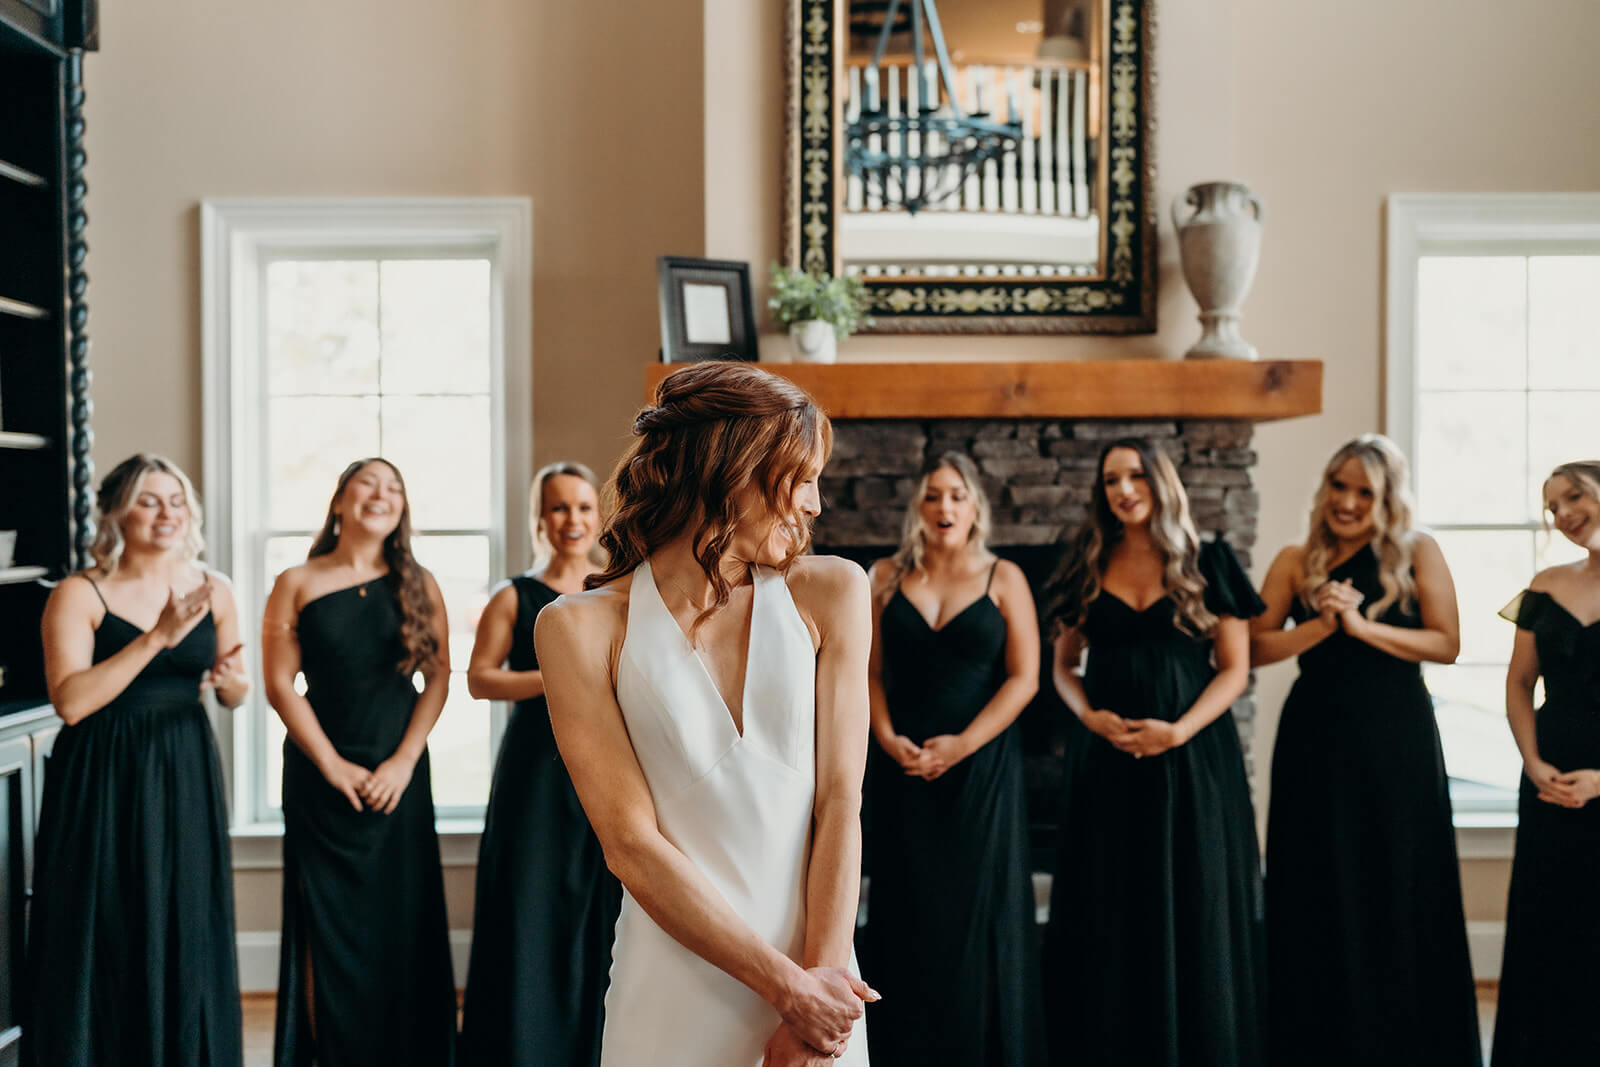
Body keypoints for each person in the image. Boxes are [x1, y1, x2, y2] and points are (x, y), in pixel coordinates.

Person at [535, 361, 877, 1067]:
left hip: (822, 974)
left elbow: (841, 801)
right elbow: (629, 842)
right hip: (673, 989)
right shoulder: (577, 628)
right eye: (801, 477)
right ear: (733, 471)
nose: (814, 504)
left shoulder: (834, 592)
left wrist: (822, 990)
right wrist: (788, 990)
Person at [1251, 433, 1479, 1066]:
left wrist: (1360, 626)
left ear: (1387, 498)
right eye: (1338, 486)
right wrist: (1320, 627)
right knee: (1315, 878)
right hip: (1314, 740)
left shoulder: (1416, 552)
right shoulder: (1296, 560)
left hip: (1395, 737)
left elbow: (1447, 643)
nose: (1347, 502)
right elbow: (1249, 647)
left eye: (1363, 491)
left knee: (1397, 874)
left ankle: (1405, 1038)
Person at [1041, 437, 1265, 1067]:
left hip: (1191, 759)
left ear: (1160, 479)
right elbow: (1062, 666)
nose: (1124, 489)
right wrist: (1088, 716)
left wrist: (1179, 731)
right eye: (1112, 479)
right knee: (1113, 898)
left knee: (1192, 896)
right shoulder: (1087, 561)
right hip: (1107, 761)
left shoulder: (1209, 559)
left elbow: (1234, 669)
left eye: (1135, 475)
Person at [27, 454, 246, 1066]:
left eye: (175, 501)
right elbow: (70, 702)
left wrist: (230, 681)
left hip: (185, 766)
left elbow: (235, 690)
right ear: (118, 511)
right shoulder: (79, 592)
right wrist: (157, 639)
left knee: (183, 912)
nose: (165, 514)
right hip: (103, 770)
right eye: (149, 501)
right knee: (105, 916)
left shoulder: (215, 587)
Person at [262, 458, 456, 1067]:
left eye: (394, 486)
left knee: (402, 921)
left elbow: (439, 677)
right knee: (327, 926)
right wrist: (332, 766)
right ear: (339, 500)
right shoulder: (296, 580)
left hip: (400, 776)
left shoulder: (420, 583)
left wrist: (402, 761)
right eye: (367, 484)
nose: (382, 494)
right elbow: (278, 683)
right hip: (321, 778)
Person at [861, 452, 1044, 1066]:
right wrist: (886, 739)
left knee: (975, 914)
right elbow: (867, 672)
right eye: (934, 495)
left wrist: (964, 744)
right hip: (902, 766)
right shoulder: (882, 576)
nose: (944, 507)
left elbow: (1025, 679)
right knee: (907, 911)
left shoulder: (1005, 578)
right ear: (918, 506)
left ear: (975, 508)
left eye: (957, 496)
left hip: (981, 770)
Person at [458, 461, 621, 1067]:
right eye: (558, 508)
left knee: (601, 902)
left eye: (582, 506)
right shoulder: (513, 595)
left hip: (608, 763)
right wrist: (558, 680)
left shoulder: (618, 586)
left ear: (598, 515)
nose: (572, 519)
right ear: (540, 519)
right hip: (536, 769)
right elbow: (479, 680)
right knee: (532, 899)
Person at [1491, 460, 1600, 1065]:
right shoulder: (1546, 583)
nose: (1563, 515)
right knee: (1548, 925)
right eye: (1553, 507)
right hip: (1549, 778)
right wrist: (1532, 763)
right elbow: (1518, 684)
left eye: (1575, 497)